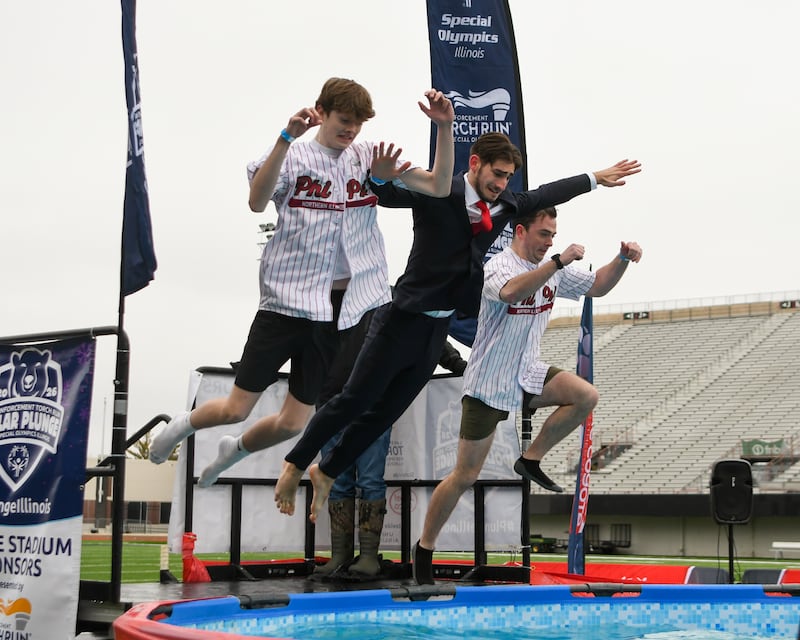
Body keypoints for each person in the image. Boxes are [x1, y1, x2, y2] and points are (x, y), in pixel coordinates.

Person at [274, 132, 641, 522]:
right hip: (401, 320)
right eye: (497, 174)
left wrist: (595, 178)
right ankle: (295, 465)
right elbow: (388, 196)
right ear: (475, 164)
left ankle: (326, 472)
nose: (501, 185)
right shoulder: (439, 193)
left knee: (382, 415)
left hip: (437, 330)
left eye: (508, 178)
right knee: (354, 401)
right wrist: (379, 179)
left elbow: (550, 191)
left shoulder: (505, 204)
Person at [149, 77, 455, 469]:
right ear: (322, 112)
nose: (350, 130)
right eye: (343, 119)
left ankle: (234, 451)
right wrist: (284, 139)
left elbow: (440, 187)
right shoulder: (293, 156)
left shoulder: (367, 159)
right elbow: (257, 202)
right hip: (288, 303)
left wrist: (444, 127)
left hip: (340, 309)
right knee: (236, 408)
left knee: (294, 423)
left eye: (358, 123)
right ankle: (182, 425)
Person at [411, 206, 642, 584]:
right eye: (543, 234)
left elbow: (597, 285)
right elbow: (511, 292)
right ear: (520, 232)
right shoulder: (501, 266)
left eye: (553, 235)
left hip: (527, 373)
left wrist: (622, 259)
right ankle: (425, 548)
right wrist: (556, 260)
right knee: (464, 476)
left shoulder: (554, 268)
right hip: (487, 383)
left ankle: (530, 459)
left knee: (585, 396)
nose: (549, 242)